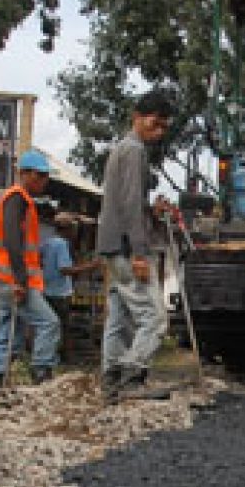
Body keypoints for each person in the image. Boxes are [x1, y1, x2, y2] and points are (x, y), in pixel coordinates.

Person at [96, 90, 175, 403]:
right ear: (137, 117)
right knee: (154, 317)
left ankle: (111, 379)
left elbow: (127, 203)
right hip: (126, 247)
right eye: (155, 124)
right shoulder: (134, 151)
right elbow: (129, 205)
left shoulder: (122, 149)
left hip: (112, 244)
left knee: (119, 317)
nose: (159, 132)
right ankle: (132, 378)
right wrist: (140, 253)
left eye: (164, 127)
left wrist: (150, 212)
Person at [0, 149, 61, 390]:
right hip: (13, 278)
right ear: (24, 173)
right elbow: (12, 240)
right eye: (40, 175)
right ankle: (41, 371)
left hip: (5, 277)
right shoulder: (17, 199)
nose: (44, 181)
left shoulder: (19, 199)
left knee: (8, 328)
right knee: (49, 322)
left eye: (45, 176)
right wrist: (20, 280)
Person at [38, 203, 101, 365]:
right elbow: (65, 269)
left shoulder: (47, 243)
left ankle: (51, 356)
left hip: (46, 288)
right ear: (68, 229)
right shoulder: (61, 244)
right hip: (59, 292)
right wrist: (89, 266)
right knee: (64, 326)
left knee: (50, 326)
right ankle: (63, 357)